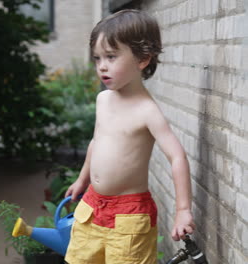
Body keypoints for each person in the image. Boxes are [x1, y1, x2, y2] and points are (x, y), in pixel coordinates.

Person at [64, 9, 195, 264]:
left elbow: (177, 156)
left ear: (143, 59)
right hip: (92, 207)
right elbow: (96, 143)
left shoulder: (147, 111)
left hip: (128, 216)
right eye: (97, 58)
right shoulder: (103, 100)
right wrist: (83, 179)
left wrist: (183, 210)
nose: (102, 66)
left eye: (111, 57)